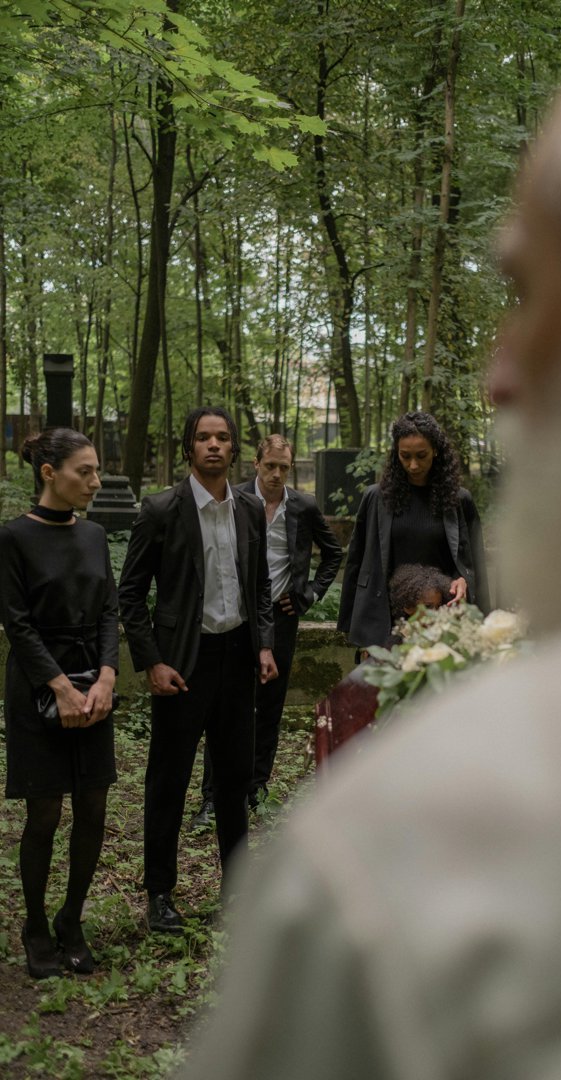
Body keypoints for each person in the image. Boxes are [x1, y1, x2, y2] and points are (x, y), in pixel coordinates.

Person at [178, 2, 561, 1076]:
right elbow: (369, 564)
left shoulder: (406, 864)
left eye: (531, 291)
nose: (502, 374)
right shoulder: (378, 506)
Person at [118, 406, 277, 934]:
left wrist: (263, 645)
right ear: (189, 447)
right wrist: (153, 662)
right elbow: (130, 595)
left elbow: (258, 588)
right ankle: (159, 894)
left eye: (223, 438)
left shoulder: (251, 510)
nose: (214, 445)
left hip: (236, 658)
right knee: (169, 780)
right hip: (183, 664)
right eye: (204, 438)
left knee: (234, 780)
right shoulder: (161, 509)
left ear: (234, 449)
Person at [0, 429, 118, 979]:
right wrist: (59, 686)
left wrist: (108, 677)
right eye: (85, 472)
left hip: (94, 685)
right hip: (37, 687)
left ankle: (72, 919)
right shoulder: (13, 538)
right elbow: (16, 624)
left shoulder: (94, 535)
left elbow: (110, 612)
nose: (94, 481)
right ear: (49, 473)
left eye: (96, 471)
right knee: (45, 811)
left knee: (93, 804)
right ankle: (35, 927)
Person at [189, 434, 342, 824]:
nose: (276, 474)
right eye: (270, 466)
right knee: (226, 709)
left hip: (283, 618)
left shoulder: (303, 506)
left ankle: (256, 787)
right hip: (240, 618)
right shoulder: (236, 499)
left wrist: (308, 594)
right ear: (255, 463)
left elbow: (334, 554)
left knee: (270, 707)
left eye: (284, 468)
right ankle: (213, 797)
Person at [337, 411, 490, 650]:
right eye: (404, 456)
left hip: (442, 616)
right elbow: (357, 562)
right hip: (387, 619)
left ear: (436, 451)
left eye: (421, 456)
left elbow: (474, 563)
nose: (413, 465)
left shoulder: (459, 501)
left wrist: (465, 583)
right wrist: (354, 627)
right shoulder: (376, 498)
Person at [388, 563, 452, 624]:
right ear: (408, 607)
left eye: (438, 606)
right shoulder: (398, 635)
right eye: (428, 606)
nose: (435, 613)